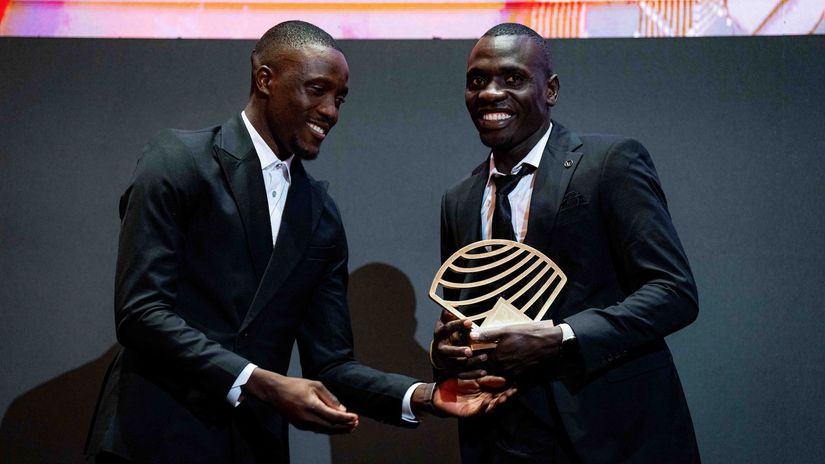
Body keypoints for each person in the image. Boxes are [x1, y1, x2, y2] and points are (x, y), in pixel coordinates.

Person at [85, 20, 513, 464]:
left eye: (340, 99)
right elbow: (141, 314)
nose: (331, 111)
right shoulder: (179, 161)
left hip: (252, 446)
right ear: (265, 79)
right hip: (153, 438)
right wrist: (261, 382)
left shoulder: (319, 214)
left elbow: (331, 366)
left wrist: (426, 395)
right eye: (317, 90)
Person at [431, 23, 700, 463]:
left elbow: (674, 292)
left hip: (612, 435)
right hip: (503, 437)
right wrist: (444, 352)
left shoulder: (609, 163)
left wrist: (562, 337)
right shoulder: (459, 199)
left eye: (512, 79)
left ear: (550, 90)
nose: (490, 93)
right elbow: (461, 313)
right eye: (477, 81)